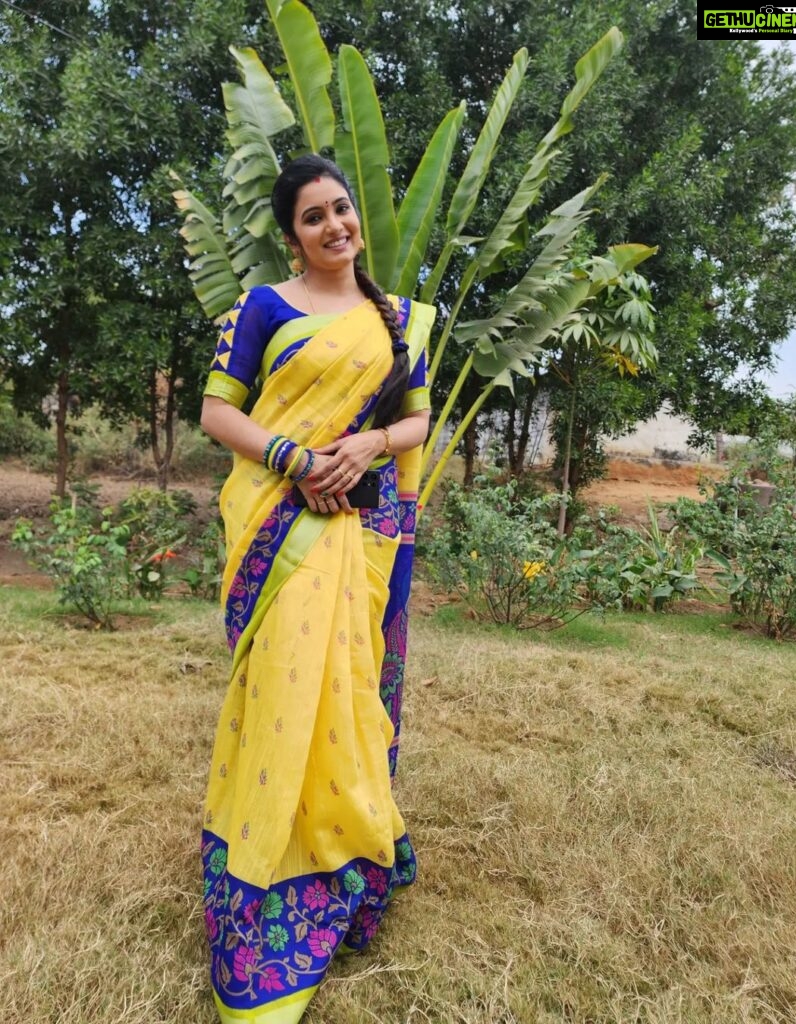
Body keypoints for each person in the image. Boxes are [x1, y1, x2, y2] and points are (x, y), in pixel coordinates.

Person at [198, 153, 436, 1023]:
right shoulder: (260, 307)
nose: (335, 224)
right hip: (275, 523)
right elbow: (218, 412)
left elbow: (415, 418)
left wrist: (369, 446)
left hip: (354, 531)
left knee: (342, 694)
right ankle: (262, 874)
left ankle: (342, 861)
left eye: (341, 209)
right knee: (279, 696)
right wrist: (296, 459)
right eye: (313, 216)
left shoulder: (394, 318)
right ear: (290, 233)